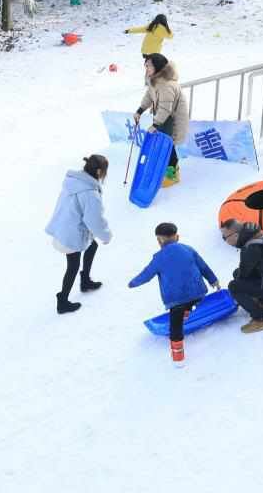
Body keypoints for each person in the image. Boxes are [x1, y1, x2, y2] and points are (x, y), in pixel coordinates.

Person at [127, 221, 219, 367]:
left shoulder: (158, 258)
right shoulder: (188, 249)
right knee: (191, 302)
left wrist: (133, 283)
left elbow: (146, 274)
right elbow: (203, 266)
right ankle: (189, 311)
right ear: (177, 237)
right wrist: (213, 280)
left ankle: (178, 358)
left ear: (159, 240)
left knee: (175, 327)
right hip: (198, 292)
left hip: (176, 300)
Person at [45, 154, 112, 315]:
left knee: (92, 245)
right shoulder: (90, 193)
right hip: (70, 236)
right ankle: (63, 301)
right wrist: (106, 236)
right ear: (97, 171)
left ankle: (85, 280)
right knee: (73, 266)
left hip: (63, 229)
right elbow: (94, 221)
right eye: (104, 171)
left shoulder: (74, 182)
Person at [134, 53, 190, 187]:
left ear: (158, 67)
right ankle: (164, 167)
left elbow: (166, 108)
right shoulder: (154, 80)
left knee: (168, 144)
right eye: (145, 65)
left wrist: (155, 124)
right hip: (164, 118)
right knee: (163, 143)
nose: (146, 68)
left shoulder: (167, 85)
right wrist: (140, 110)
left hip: (172, 119)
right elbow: (149, 95)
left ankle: (173, 173)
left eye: (149, 66)